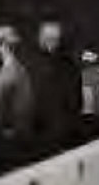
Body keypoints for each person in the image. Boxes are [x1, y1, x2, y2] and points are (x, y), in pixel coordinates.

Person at [29, 21, 83, 155]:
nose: (51, 43)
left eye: (54, 39)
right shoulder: (33, 66)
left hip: (60, 132)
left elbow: (75, 99)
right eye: (48, 39)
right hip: (48, 133)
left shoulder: (67, 66)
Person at [0, 25, 36, 168]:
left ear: (1, 44)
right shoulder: (23, 70)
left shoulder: (3, 77)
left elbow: (0, 117)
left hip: (12, 144)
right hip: (27, 139)